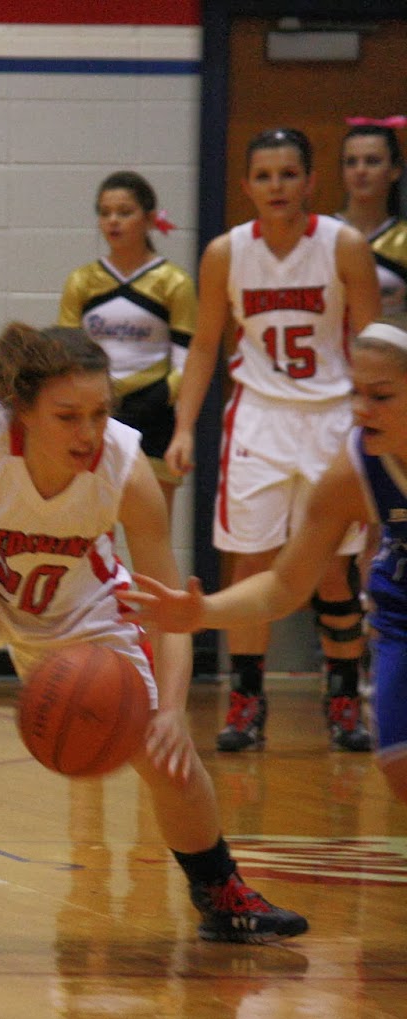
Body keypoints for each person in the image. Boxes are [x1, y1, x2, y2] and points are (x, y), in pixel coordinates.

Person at [0, 323, 307, 956]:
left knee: (164, 751)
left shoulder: (128, 472)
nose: (87, 432)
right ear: (21, 410)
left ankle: (220, 894)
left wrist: (170, 710)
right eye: (68, 415)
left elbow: (168, 608)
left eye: (100, 413)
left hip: (82, 600)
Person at [123, 315, 407, 804]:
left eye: (380, 397)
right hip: (401, 619)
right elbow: (283, 586)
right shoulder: (351, 471)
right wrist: (203, 613)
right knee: (400, 772)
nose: (361, 410)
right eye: (354, 394)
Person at [165, 127, 381, 754]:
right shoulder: (225, 253)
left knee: (332, 571)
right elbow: (205, 343)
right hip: (257, 417)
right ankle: (246, 700)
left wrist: (377, 430)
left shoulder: (343, 246)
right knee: (252, 562)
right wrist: (183, 427)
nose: (277, 186)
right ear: (247, 186)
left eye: (289, 174)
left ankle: (342, 694)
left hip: (332, 418)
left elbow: (371, 347)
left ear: (311, 181)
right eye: (264, 176)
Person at [58, 171, 196, 513]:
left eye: (124, 212)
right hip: (94, 414)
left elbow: (188, 359)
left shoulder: (173, 282)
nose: (113, 221)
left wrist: (160, 397)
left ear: (150, 219)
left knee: (151, 527)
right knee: (87, 526)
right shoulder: (82, 282)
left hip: (154, 415)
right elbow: (64, 355)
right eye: (105, 213)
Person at [336, 119, 407, 318]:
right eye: (351, 162)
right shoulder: (322, 234)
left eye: (372, 161)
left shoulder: (404, 239)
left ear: (395, 171)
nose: (360, 170)